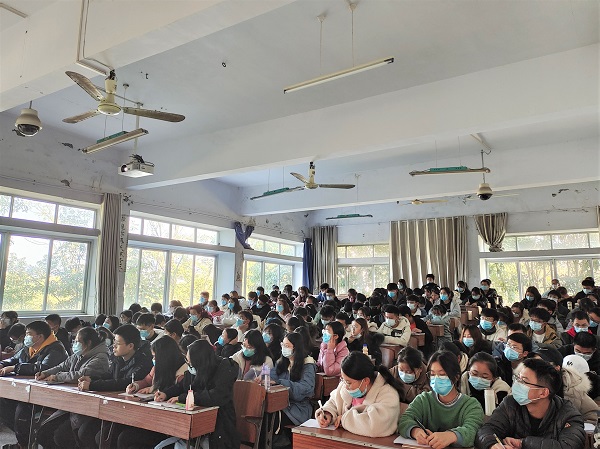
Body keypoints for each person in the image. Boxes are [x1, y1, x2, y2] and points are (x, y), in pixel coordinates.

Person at [475, 358, 585, 449]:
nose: (517, 384)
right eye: (518, 378)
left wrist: (522, 443)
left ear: (543, 393)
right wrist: (493, 445)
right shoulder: (510, 404)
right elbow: (487, 430)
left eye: (523, 381)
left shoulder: (568, 414)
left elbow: (569, 446)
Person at [76, 324, 153, 448]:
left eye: (117, 343)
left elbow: (123, 383)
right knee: (84, 431)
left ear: (130, 346)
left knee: (103, 437)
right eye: (113, 342)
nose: (113, 346)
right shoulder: (117, 358)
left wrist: (92, 385)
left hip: (131, 414)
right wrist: (91, 378)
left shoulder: (144, 362)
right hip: (113, 409)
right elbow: (109, 375)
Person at [155, 340, 240, 449]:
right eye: (187, 361)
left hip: (220, 424)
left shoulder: (225, 368)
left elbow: (215, 396)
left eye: (191, 363)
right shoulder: (195, 370)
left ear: (200, 362)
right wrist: (166, 393)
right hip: (194, 422)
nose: (189, 366)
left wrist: (183, 398)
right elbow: (182, 386)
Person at [36, 327, 110, 449]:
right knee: (44, 432)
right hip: (71, 403)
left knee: (61, 436)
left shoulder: (101, 358)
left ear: (88, 343)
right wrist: (46, 373)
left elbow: (80, 375)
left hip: (86, 406)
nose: (74, 344)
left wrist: (57, 377)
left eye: (77, 341)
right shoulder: (79, 354)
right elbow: (62, 366)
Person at [0, 321, 68, 448]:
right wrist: (3, 364)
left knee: (22, 410)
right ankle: (23, 441)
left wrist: (15, 368)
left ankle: (25, 443)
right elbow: (14, 359)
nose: (26, 337)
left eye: (29, 334)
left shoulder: (56, 349)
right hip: (24, 390)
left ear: (40, 336)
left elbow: (43, 368)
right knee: (3, 404)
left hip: (46, 393)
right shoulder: (29, 348)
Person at [398, 350, 484, 448]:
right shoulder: (423, 399)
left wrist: (452, 436)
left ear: (456, 377)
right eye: (432, 374)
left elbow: (473, 430)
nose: (436, 379)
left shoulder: (471, 405)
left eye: (442, 375)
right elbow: (405, 420)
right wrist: (415, 431)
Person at [316, 352, 401, 437]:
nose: (345, 386)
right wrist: (328, 413)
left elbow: (375, 427)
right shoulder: (345, 387)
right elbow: (334, 401)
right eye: (343, 380)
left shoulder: (388, 394)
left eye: (348, 382)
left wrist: (345, 419)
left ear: (366, 381)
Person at [264, 332, 316, 444]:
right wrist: (264, 380)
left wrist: (280, 383)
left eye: (287, 346)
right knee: (262, 414)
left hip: (298, 408)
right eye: (283, 345)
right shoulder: (281, 362)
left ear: (296, 348)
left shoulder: (307, 365)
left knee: (270, 419)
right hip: (279, 404)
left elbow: (305, 389)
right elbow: (271, 379)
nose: (284, 348)